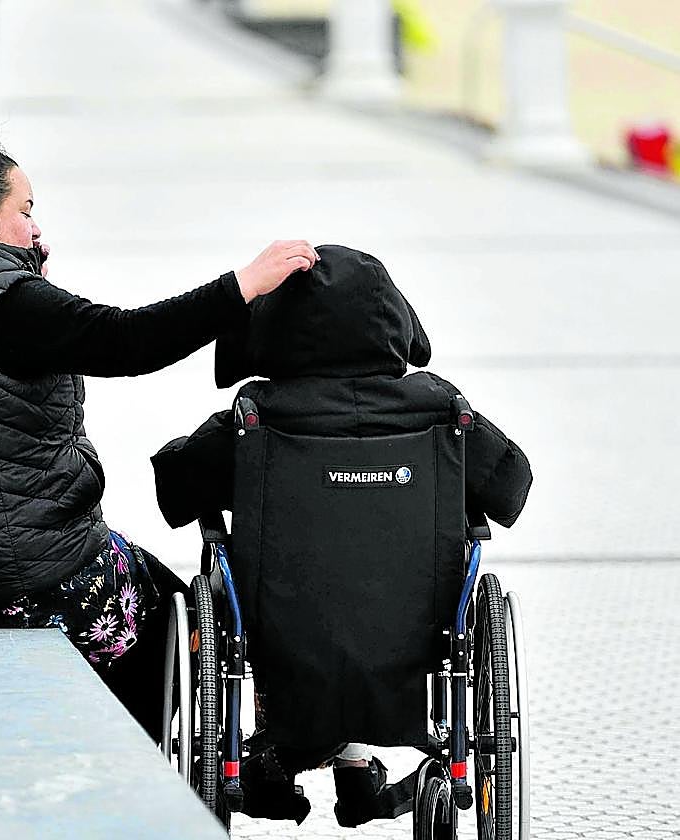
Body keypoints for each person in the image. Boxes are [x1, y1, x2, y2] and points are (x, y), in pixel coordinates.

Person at [0, 142, 318, 734]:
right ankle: (136, 775)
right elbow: (129, 340)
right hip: (10, 571)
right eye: (27, 209)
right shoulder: (11, 305)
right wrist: (244, 284)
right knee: (164, 606)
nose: (36, 226)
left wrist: (25, 275)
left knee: (132, 578)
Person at [150, 244, 534, 826]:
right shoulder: (440, 410)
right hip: (413, 636)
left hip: (282, 642)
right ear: (392, 322)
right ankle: (358, 763)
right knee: (371, 603)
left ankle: (291, 756)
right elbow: (511, 490)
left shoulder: (254, 418)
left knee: (276, 595)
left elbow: (175, 492)